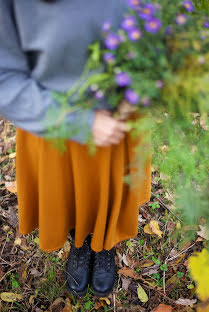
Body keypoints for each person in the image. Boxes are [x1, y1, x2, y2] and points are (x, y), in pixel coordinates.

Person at [0, 0, 151, 297]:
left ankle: (105, 242)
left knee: (111, 183)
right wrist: (77, 122)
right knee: (68, 188)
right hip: (54, 115)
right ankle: (80, 240)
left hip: (122, 111)